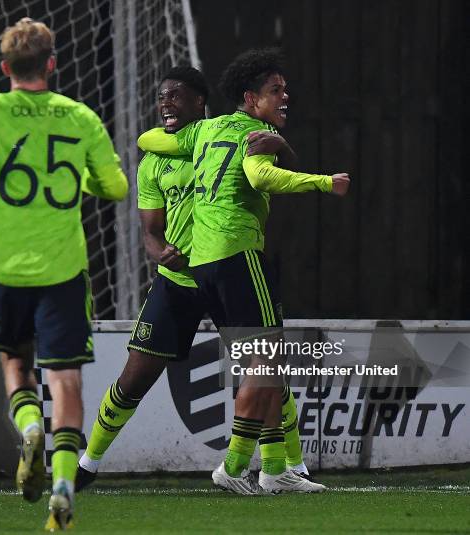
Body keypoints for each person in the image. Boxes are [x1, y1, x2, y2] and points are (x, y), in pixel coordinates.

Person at [76, 66, 318, 493]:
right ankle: (88, 463)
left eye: (176, 96)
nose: (166, 103)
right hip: (177, 282)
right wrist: (156, 250)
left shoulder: (221, 136)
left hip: (223, 268)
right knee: (134, 378)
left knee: (264, 367)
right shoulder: (154, 162)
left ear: (200, 103)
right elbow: (151, 230)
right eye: (162, 97)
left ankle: (291, 467)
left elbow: (267, 174)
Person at [0, 18, 128, 530]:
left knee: (15, 365)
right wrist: (83, 175)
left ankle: (29, 428)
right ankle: (64, 489)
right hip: (63, 268)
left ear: (5, 67)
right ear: (51, 64)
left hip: (4, 265)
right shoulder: (80, 116)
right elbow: (114, 187)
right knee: (65, 380)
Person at [137, 48, 349, 495]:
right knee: (266, 361)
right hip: (238, 254)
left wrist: (283, 145)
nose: (285, 96)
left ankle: (275, 470)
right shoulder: (255, 134)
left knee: (264, 362)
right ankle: (233, 468)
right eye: (276, 91)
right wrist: (324, 182)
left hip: (206, 262)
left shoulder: (207, 129)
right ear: (250, 98)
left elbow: (149, 141)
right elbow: (262, 178)